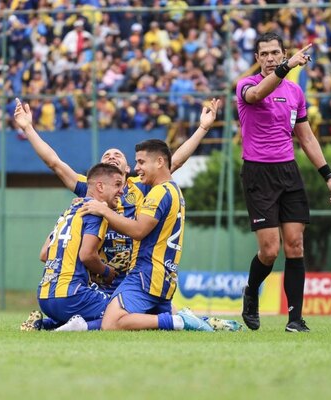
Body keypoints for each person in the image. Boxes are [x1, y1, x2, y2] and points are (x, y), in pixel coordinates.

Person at [13, 97, 220, 296]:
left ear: (129, 168)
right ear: (100, 173)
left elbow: (173, 162)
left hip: (134, 275)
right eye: (107, 156)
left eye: (117, 155)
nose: (111, 156)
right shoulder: (93, 188)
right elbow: (55, 163)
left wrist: (203, 128)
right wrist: (28, 128)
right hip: (101, 277)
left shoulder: (141, 186)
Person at [236, 32, 331, 333]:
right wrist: (287, 67)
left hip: (288, 172)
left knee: (295, 245)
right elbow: (257, 97)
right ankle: (251, 292)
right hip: (258, 173)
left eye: (275, 53)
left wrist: (328, 175)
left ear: (282, 54)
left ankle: (295, 319)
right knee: (270, 250)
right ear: (257, 58)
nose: (270, 58)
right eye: (264, 54)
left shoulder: (295, 92)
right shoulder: (247, 85)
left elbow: (306, 137)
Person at [75, 139, 213, 331]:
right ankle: (203, 322)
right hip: (163, 275)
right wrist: (203, 128)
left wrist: (105, 211)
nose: (138, 168)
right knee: (147, 316)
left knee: (111, 322)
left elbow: (139, 231)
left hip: (145, 273)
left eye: (141, 162)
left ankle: (180, 321)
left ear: (159, 162)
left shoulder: (157, 193)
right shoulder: (173, 190)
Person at [22, 163, 123, 331]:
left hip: (45, 296)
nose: (121, 190)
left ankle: (44, 324)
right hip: (71, 295)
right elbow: (87, 255)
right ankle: (81, 327)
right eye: (118, 185)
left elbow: (44, 254)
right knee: (118, 314)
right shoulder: (94, 213)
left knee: (85, 310)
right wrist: (106, 272)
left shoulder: (69, 211)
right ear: (100, 186)